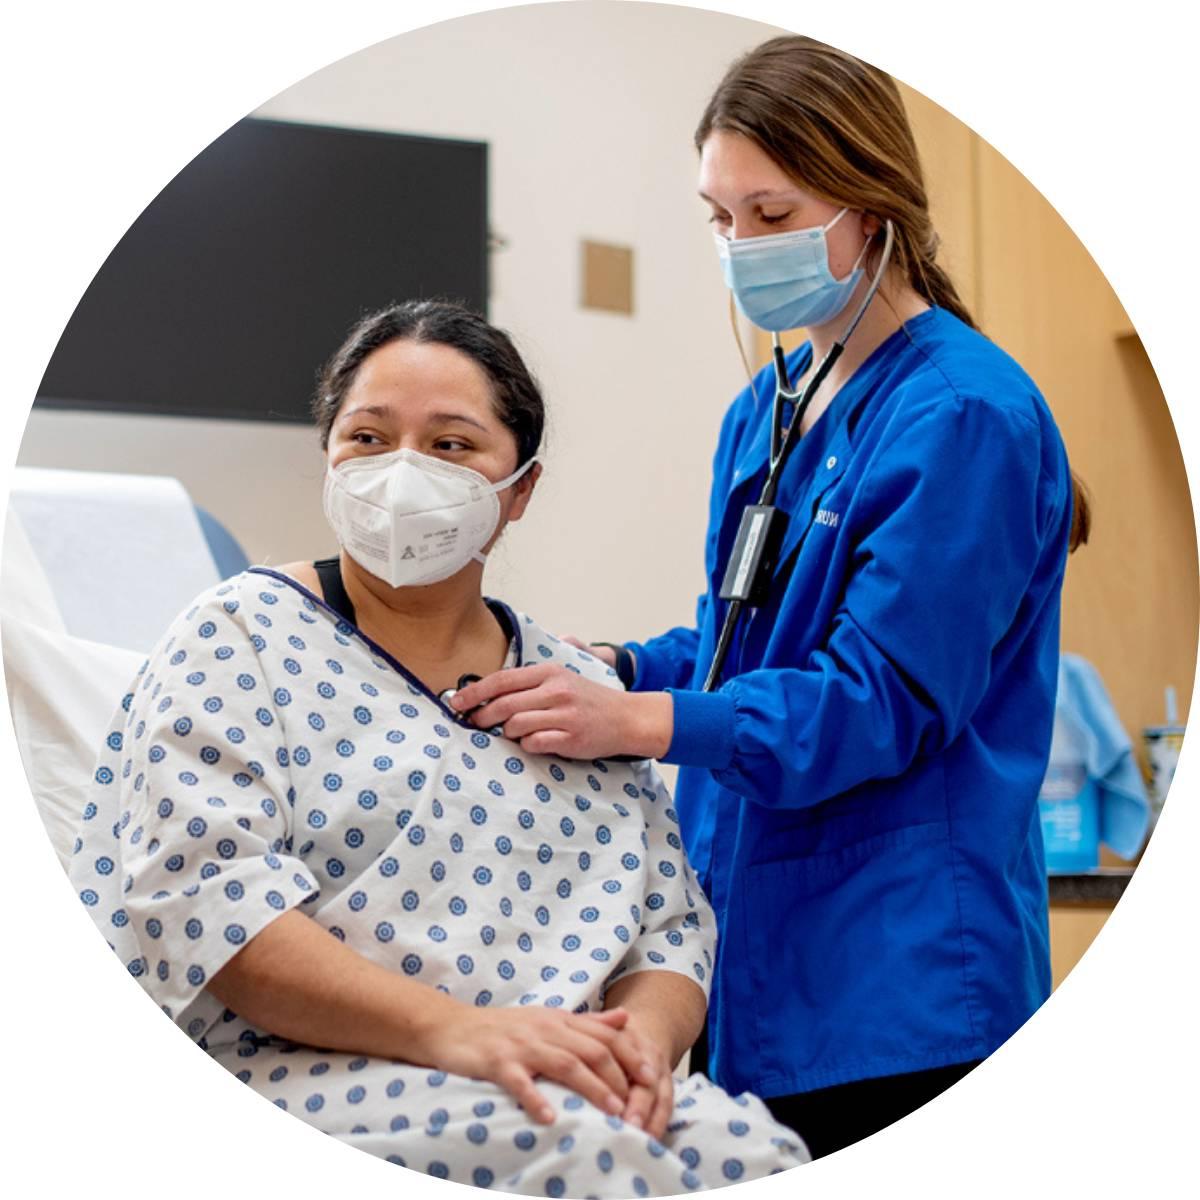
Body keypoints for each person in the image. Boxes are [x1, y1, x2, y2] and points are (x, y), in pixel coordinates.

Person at [449, 37, 1086, 1159]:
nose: (741, 246)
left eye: (772, 212)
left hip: (903, 985)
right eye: (720, 217)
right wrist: (627, 666)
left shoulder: (965, 414)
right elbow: (751, 644)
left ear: (872, 204)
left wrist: (640, 723)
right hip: (752, 957)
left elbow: (876, 697)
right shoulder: (768, 408)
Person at [66, 300, 807, 1195]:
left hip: (571, 1077)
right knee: (591, 1157)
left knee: (748, 1151)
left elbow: (670, 931)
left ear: (520, 490)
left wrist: (640, 1049)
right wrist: (464, 1034)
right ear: (328, 458)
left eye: (452, 445)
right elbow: (209, 909)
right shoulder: (240, 637)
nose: (403, 472)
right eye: (368, 438)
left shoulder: (576, 692)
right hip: (305, 1079)